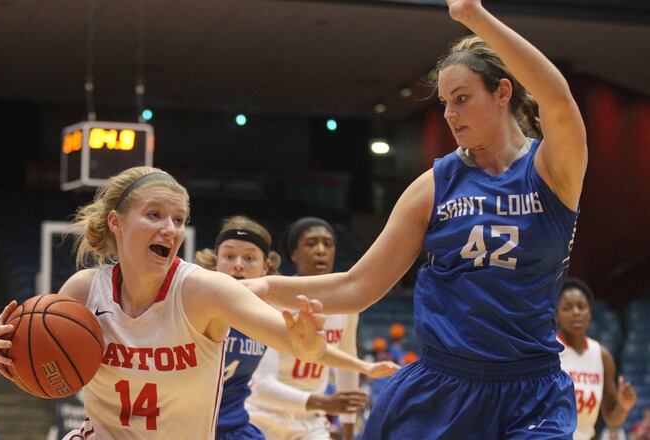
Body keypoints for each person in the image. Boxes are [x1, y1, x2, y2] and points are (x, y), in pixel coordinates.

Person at [243, 0, 587, 436]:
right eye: (445, 102)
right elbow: (356, 286)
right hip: (443, 387)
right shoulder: (434, 186)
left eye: (462, 99)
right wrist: (268, 287)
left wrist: (473, 15)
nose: (449, 114)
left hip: (531, 392)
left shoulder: (553, 170)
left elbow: (557, 97)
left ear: (503, 92)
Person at [0, 166, 328, 440]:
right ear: (115, 222)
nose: (170, 229)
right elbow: (42, 363)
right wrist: (1, 347)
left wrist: (307, 340)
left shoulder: (204, 291)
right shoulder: (84, 292)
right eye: (155, 215)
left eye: (178, 220)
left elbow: (297, 344)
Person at [194, 216, 398, 440]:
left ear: (266, 267)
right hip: (251, 417)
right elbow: (264, 384)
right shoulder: (206, 301)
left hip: (266, 424)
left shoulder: (268, 310)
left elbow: (311, 350)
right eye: (229, 256)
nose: (238, 264)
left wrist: (364, 367)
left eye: (249, 257)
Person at [245, 217, 374, 440]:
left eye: (328, 243)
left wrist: (349, 430)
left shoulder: (347, 307)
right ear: (294, 254)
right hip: (263, 415)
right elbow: (262, 385)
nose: (321, 250)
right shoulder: (274, 299)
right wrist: (322, 402)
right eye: (311, 243)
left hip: (310, 421)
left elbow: (347, 363)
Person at [557, 278, 637, 439]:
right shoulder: (550, 351)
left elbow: (612, 419)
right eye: (567, 307)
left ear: (589, 312)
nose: (576, 312)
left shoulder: (602, 356)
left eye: (581, 307)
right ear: (556, 314)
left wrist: (623, 406)